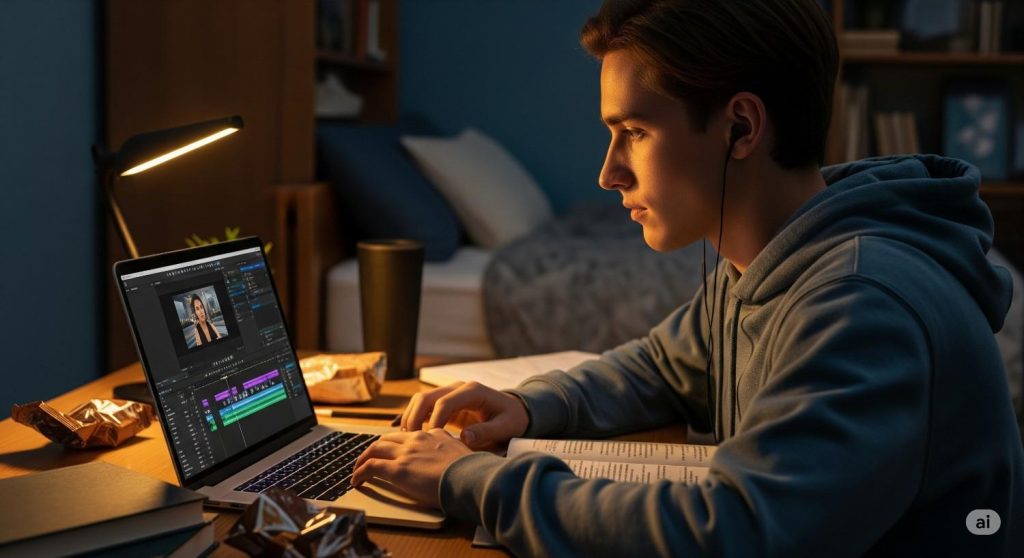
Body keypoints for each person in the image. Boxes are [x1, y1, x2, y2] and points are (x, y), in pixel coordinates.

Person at [352, 0, 1024, 555]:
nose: (609, 173)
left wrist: (471, 482)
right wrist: (531, 406)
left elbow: (737, 532)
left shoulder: (858, 302)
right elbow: (661, 366)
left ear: (741, 127)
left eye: (634, 131)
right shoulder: (765, 260)